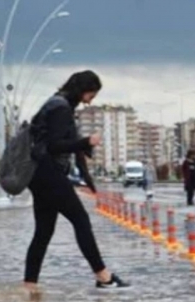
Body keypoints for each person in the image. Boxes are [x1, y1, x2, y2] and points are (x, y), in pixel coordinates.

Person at [24, 70, 130, 290]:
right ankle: (103, 276)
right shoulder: (61, 108)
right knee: (80, 220)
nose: (91, 100)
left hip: (40, 174)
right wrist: (86, 141)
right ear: (83, 90)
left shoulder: (59, 105)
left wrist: (86, 175)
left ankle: (29, 284)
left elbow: (69, 145)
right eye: (91, 94)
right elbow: (55, 145)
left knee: (43, 231)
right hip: (48, 172)